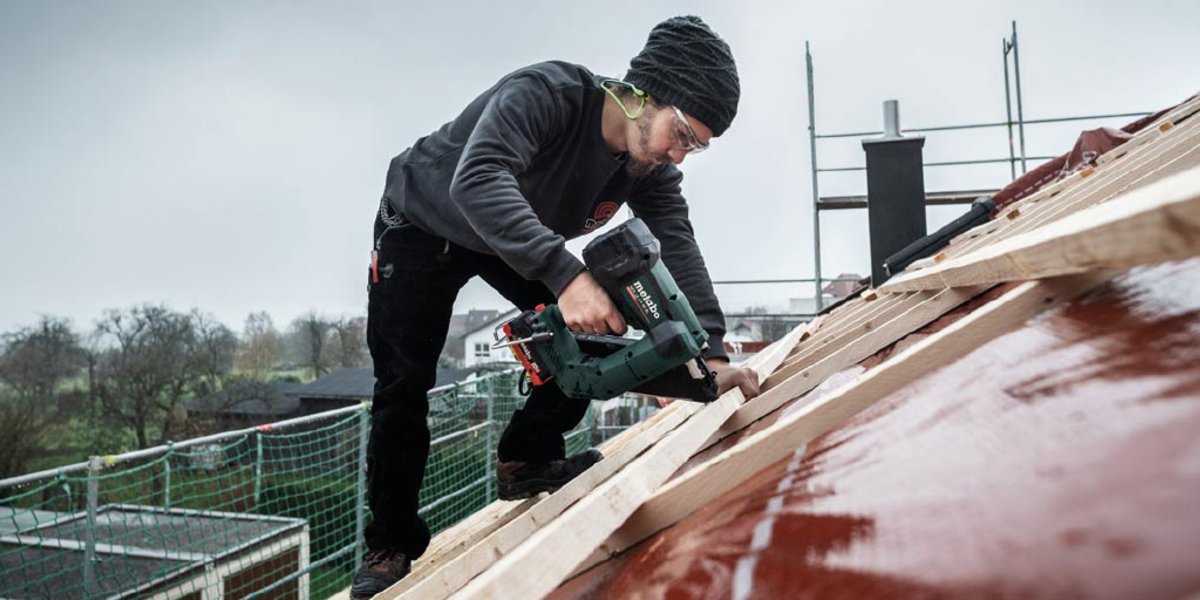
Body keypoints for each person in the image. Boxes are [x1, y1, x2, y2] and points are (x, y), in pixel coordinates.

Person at [352, 15, 761, 599]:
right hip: (422, 222)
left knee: (602, 330)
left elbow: (676, 240)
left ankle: (527, 459)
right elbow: (479, 179)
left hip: (500, 235)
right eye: (683, 134)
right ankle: (389, 544)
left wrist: (711, 356)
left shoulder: (646, 166)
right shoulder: (548, 95)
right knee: (403, 382)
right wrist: (566, 276)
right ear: (648, 93)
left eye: (696, 146)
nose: (681, 154)